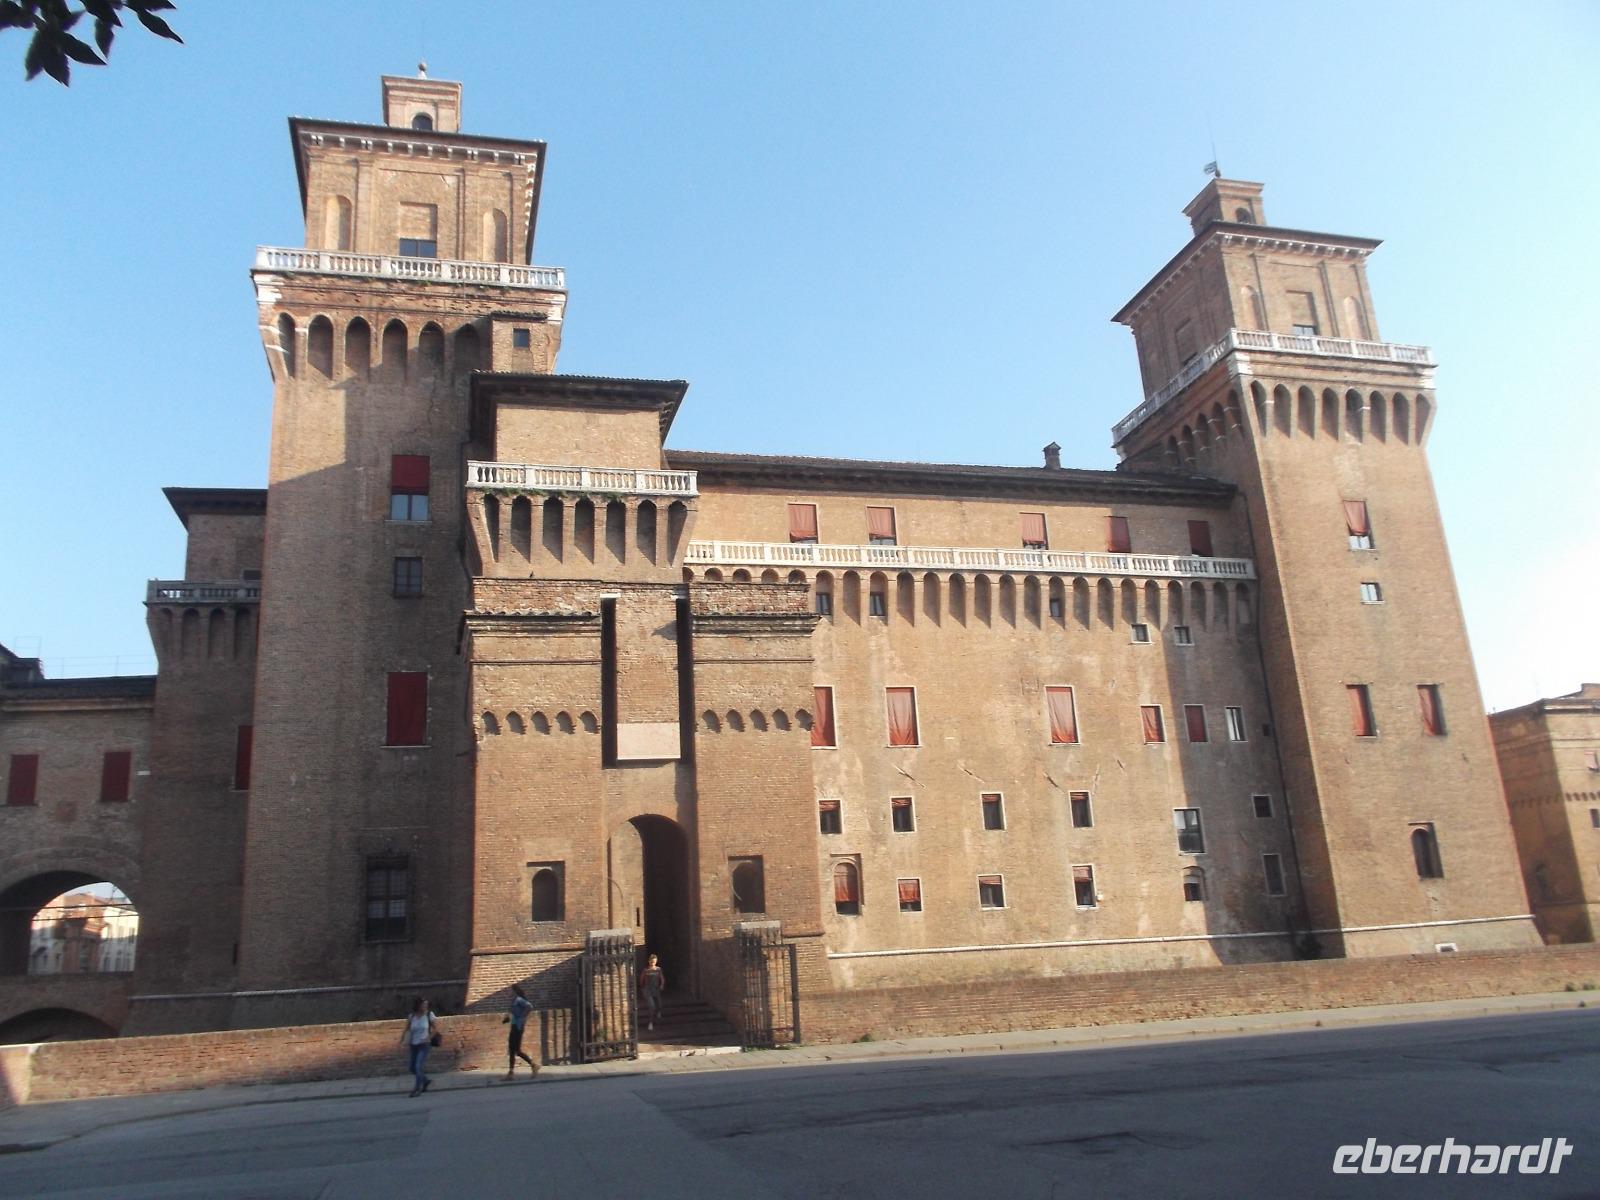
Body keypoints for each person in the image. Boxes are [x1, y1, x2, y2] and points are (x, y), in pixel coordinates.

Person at [400, 996, 438, 1097]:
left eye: (426, 1005)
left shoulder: (429, 1015)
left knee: (418, 1066)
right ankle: (425, 1081)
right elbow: (407, 1029)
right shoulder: (412, 1016)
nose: (425, 1006)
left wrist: (428, 1038)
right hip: (413, 1044)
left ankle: (417, 1089)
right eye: (423, 1004)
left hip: (424, 1044)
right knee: (412, 1068)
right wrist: (402, 1039)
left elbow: (435, 1029)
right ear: (418, 1005)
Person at [502, 983, 535, 1079]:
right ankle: (511, 1073)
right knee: (513, 1049)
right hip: (514, 1026)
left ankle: (533, 1065)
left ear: (514, 991)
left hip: (518, 1027)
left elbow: (529, 1006)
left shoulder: (519, 999)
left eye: (509, 990)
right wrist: (508, 1018)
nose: (508, 992)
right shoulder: (513, 1001)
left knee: (516, 1050)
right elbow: (514, 1012)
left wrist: (521, 1018)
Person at [638, 953, 665, 1032]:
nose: (653, 963)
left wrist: (662, 985)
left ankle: (658, 1012)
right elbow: (641, 979)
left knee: (659, 1004)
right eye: (651, 962)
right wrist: (642, 988)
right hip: (648, 990)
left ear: (656, 961)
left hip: (656, 989)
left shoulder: (658, 969)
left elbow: (662, 978)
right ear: (649, 961)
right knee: (652, 1006)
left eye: (654, 961)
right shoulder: (646, 970)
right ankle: (650, 1023)